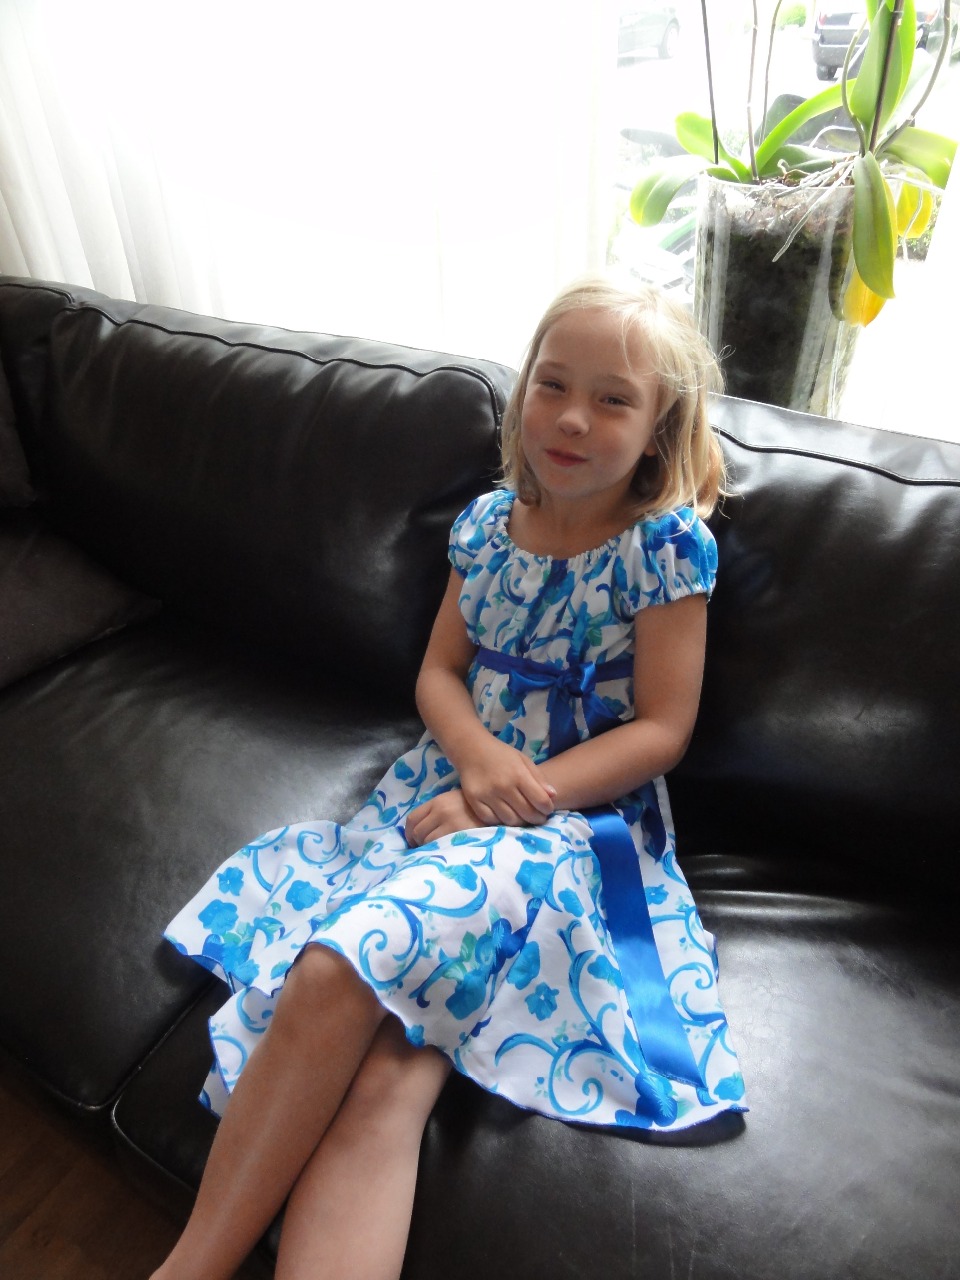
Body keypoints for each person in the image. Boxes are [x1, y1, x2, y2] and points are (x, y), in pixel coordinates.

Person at [153, 278, 746, 1280]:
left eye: (612, 399)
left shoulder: (663, 549)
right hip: (444, 786)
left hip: (569, 820)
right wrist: (473, 759)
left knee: (338, 968)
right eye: (552, 384)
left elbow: (662, 728)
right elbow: (438, 671)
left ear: (658, 429)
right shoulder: (485, 527)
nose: (571, 416)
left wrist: (501, 799)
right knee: (384, 1073)